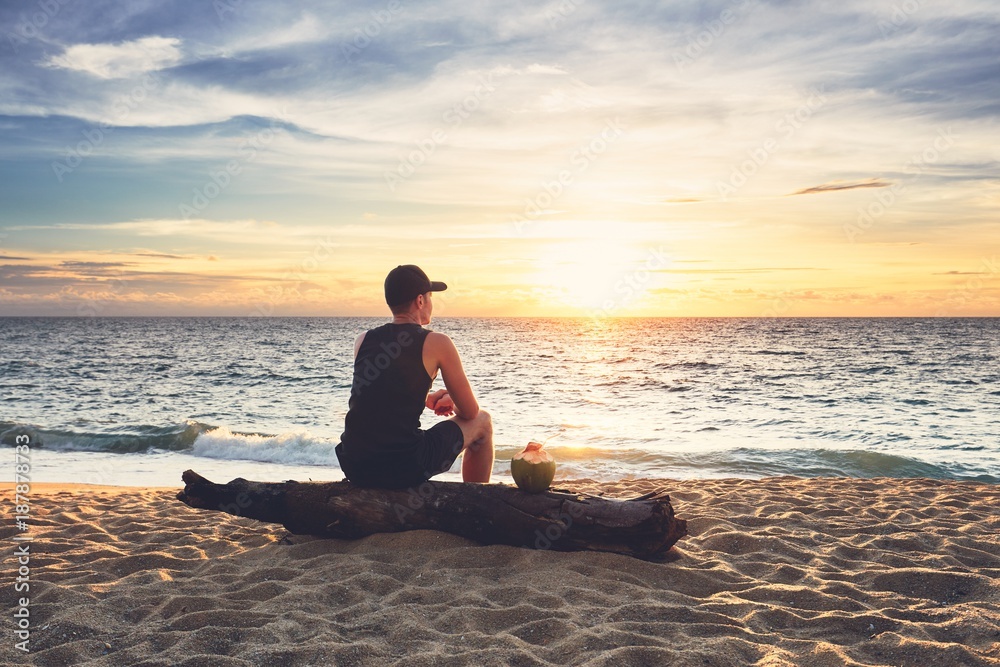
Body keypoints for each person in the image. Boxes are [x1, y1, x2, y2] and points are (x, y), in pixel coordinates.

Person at [335, 264, 494, 488]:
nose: (431, 303)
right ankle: (478, 500)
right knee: (483, 422)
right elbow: (470, 412)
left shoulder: (362, 340)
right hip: (402, 466)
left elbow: (379, 393)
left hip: (355, 465)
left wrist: (426, 398)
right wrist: (453, 401)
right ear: (420, 301)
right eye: (429, 297)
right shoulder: (438, 342)